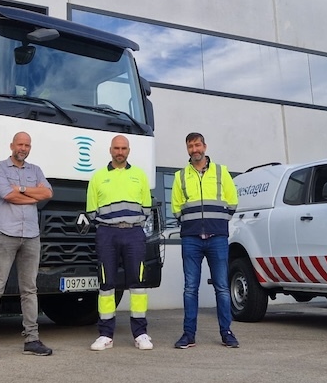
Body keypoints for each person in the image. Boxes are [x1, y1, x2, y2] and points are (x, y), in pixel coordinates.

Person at [0, 131, 54, 361]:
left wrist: (21, 190)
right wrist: (31, 194)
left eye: (27, 145)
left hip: (31, 235)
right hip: (5, 234)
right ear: (12, 145)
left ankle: (32, 340)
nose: (23, 148)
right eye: (20, 144)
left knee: (29, 290)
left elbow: (48, 192)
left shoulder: (35, 170)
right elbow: (8, 196)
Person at [85, 135, 154, 351]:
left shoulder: (139, 176)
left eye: (124, 148)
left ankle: (141, 333)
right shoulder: (97, 177)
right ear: (110, 150)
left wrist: (131, 225)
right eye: (116, 148)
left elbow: (146, 209)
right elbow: (91, 211)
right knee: (106, 285)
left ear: (129, 150)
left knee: (138, 285)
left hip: (133, 233)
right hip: (107, 234)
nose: (120, 152)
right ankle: (105, 335)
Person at [171, 132, 240, 349]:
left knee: (221, 287)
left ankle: (227, 332)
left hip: (217, 238)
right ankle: (188, 335)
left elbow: (232, 203)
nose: (195, 150)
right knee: (190, 288)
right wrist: (193, 226)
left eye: (197, 145)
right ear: (187, 149)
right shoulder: (180, 176)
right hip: (191, 239)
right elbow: (176, 208)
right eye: (190, 146)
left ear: (205, 146)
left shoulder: (222, 172)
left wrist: (216, 224)